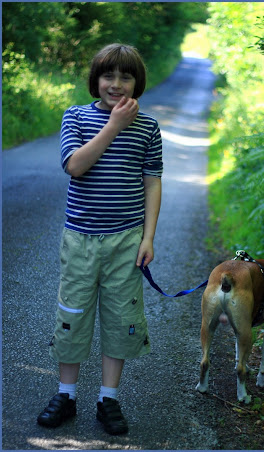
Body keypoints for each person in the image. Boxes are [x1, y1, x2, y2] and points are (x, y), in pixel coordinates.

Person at [37, 43, 163, 435]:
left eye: (126, 77)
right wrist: (113, 127)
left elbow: (152, 182)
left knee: (121, 318)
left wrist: (149, 237)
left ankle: (108, 399)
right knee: (72, 315)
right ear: (96, 80)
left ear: (137, 82)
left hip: (127, 240)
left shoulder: (149, 127)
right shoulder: (75, 116)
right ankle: (66, 394)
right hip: (80, 239)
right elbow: (74, 166)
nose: (117, 84)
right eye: (109, 76)